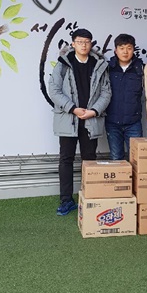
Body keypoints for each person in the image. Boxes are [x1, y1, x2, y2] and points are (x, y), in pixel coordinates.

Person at [48, 28, 111, 215]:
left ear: (91, 44)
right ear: (73, 44)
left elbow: (106, 92)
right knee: (66, 159)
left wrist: (94, 111)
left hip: (91, 120)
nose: (83, 45)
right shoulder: (63, 64)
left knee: (89, 160)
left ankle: (89, 196)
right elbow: (54, 90)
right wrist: (72, 108)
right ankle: (66, 200)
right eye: (80, 42)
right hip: (68, 119)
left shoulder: (99, 64)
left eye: (87, 42)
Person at [105, 33, 144, 160]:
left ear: (133, 49)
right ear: (115, 50)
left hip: (134, 123)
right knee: (116, 158)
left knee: (137, 159)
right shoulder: (108, 69)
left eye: (129, 48)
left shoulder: (141, 69)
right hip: (112, 122)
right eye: (121, 48)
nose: (125, 52)